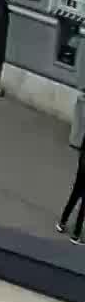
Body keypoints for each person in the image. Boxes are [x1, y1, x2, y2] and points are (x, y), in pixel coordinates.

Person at [61, 93, 85, 244]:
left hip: (82, 167)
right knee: (84, 204)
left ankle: (62, 222)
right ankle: (76, 234)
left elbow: (81, 148)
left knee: (74, 195)